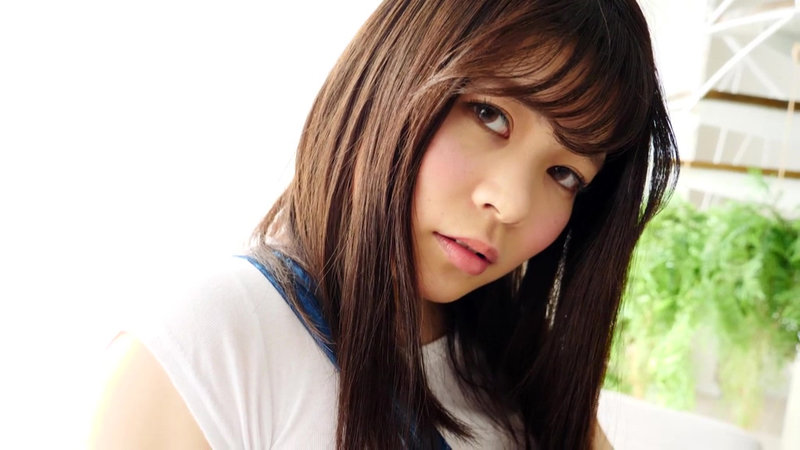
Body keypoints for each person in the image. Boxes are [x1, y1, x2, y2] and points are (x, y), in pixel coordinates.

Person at [88, 0, 679, 448]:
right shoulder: (211, 343)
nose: (512, 203)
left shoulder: (524, 374)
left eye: (565, 174)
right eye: (490, 114)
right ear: (393, 78)